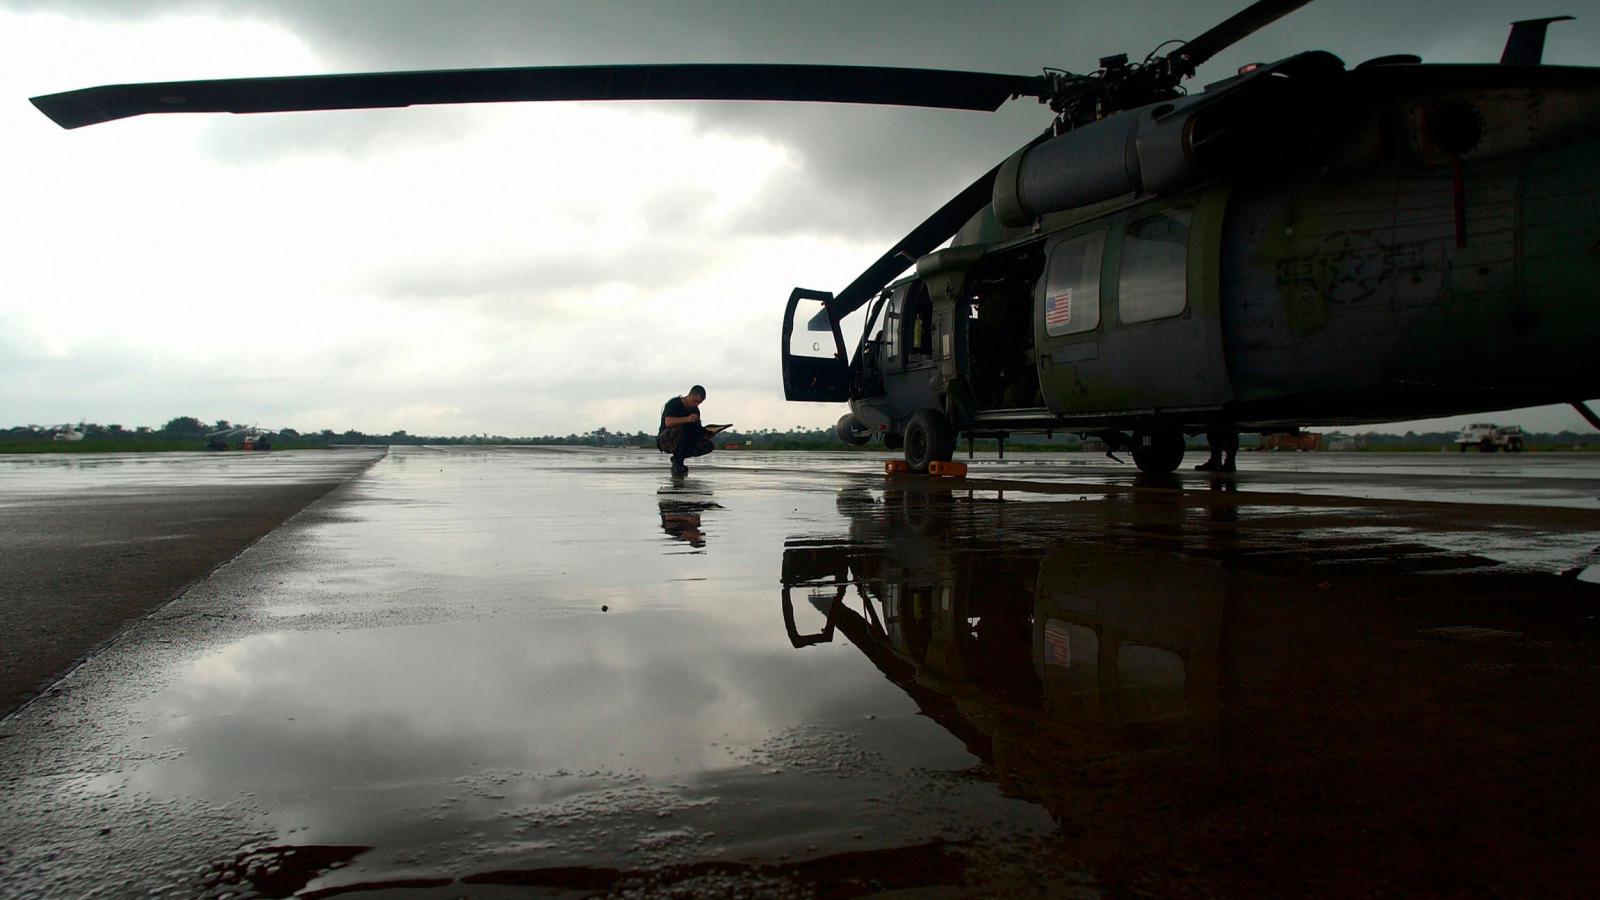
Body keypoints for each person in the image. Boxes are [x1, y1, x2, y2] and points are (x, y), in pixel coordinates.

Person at [657, 385, 714, 476]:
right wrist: (686, 419)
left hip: (685, 440)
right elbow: (668, 422)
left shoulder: (695, 411)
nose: (696, 405)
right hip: (666, 439)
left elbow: (696, 429)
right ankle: (677, 462)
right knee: (680, 428)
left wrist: (705, 434)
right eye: (695, 401)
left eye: (699, 403)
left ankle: (678, 459)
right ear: (690, 395)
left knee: (708, 445)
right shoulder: (674, 404)